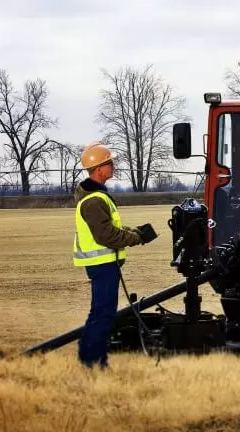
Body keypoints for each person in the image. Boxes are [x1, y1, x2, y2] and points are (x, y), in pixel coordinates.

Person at [73, 143, 157, 368]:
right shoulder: (93, 200)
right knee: (103, 313)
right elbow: (106, 235)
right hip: (102, 265)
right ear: (99, 169)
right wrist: (136, 238)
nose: (113, 166)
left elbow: (111, 228)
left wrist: (134, 231)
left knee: (100, 312)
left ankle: (90, 358)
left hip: (104, 264)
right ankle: (93, 360)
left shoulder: (97, 196)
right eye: (109, 162)